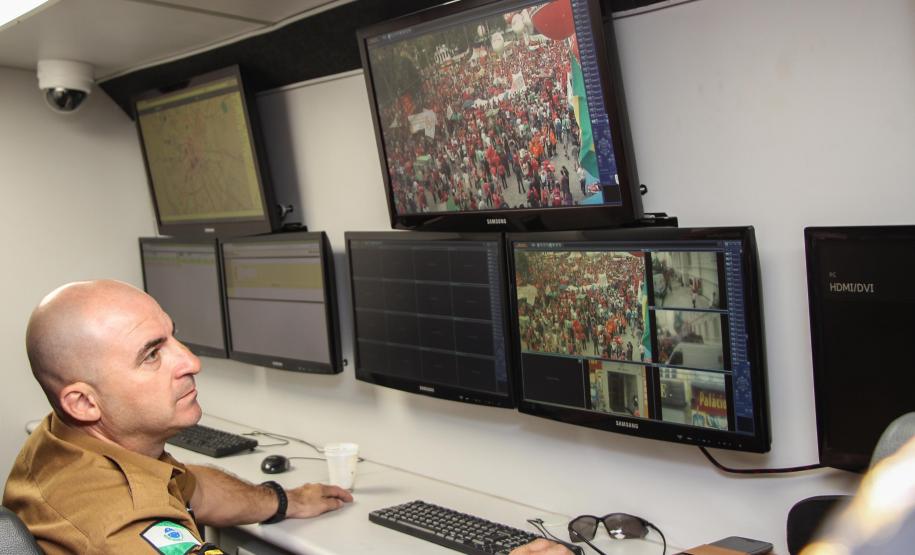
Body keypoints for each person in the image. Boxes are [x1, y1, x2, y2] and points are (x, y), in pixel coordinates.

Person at [3, 280, 568, 554]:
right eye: (152, 354)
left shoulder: (65, 440)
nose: (191, 361)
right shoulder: (121, 528)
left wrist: (281, 501)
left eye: (172, 337)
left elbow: (189, 487)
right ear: (83, 401)